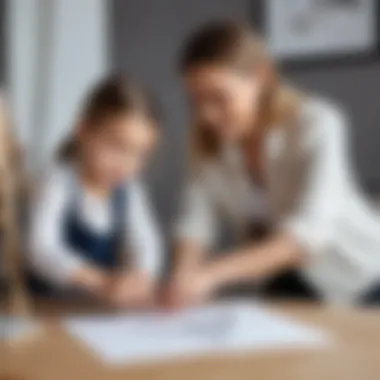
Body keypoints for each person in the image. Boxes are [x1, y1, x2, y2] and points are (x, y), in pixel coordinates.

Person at [167, 21, 380, 307]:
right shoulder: (206, 142)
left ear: (261, 77)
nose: (206, 114)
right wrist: (183, 276)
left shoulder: (317, 123)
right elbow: (195, 224)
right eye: (196, 99)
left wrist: (209, 275)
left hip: (360, 277)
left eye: (219, 97)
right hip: (289, 284)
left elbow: (307, 235)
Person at [28, 75, 163, 308]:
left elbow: (145, 242)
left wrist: (141, 276)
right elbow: (41, 250)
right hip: (48, 306)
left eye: (140, 154)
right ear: (83, 131)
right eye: (117, 146)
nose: (127, 164)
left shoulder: (129, 190)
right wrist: (101, 281)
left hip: (96, 310)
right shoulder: (58, 181)